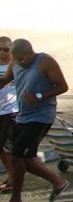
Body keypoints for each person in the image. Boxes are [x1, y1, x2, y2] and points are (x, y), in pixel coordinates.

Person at [0, 39, 69, 202]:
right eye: (16, 60)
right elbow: (6, 79)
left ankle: (16, 197)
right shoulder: (15, 63)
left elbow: (63, 86)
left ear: (30, 52)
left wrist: (39, 96)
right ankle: (58, 182)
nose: (19, 63)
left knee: (17, 155)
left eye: (22, 59)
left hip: (41, 116)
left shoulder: (45, 62)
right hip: (23, 116)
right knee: (22, 158)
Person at [0, 36, 17, 194]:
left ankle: (14, 180)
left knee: (10, 148)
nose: (3, 52)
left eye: (6, 49)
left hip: (11, 112)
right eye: (0, 49)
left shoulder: (17, 67)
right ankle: (12, 176)